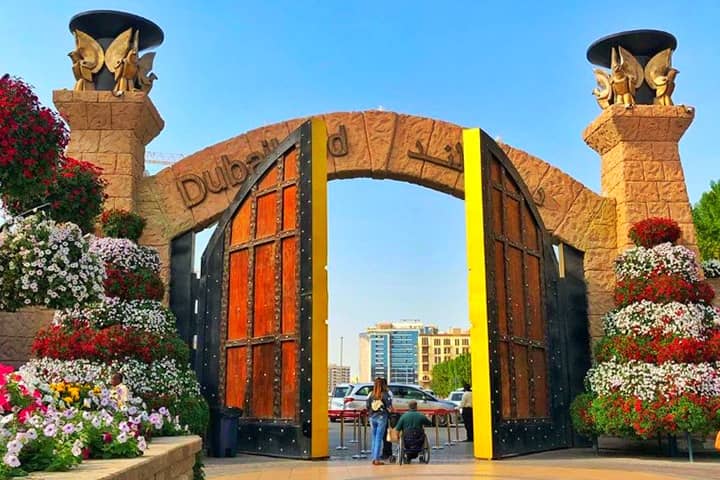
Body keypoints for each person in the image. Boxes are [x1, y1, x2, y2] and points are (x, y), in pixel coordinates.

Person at [366, 377, 392, 465]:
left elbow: (367, 406)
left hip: (372, 417)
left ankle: (374, 457)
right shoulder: (385, 394)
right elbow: (389, 407)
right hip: (381, 417)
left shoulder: (371, 394)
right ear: (383, 385)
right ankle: (376, 459)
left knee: (374, 438)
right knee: (379, 438)